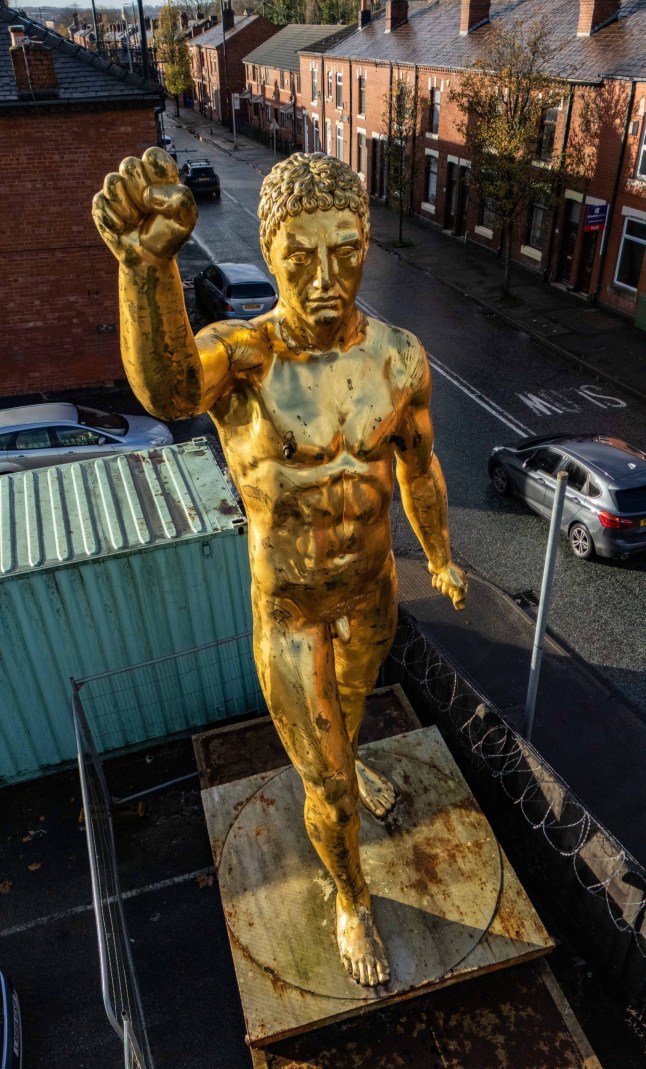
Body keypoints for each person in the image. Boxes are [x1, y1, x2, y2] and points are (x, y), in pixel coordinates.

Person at [92, 148, 467, 988]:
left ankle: (346, 753)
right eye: (302, 255)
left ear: (368, 243)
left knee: (357, 710)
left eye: (346, 250)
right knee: (328, 787)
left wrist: (438, 554)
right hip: (291, 607)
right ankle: (349, 899)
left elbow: (419, 467)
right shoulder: (248, 358)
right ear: (270, 252)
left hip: (372, 589)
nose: (327, 276)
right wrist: (148, 270)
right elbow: (169, 388)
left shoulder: (400, 357)